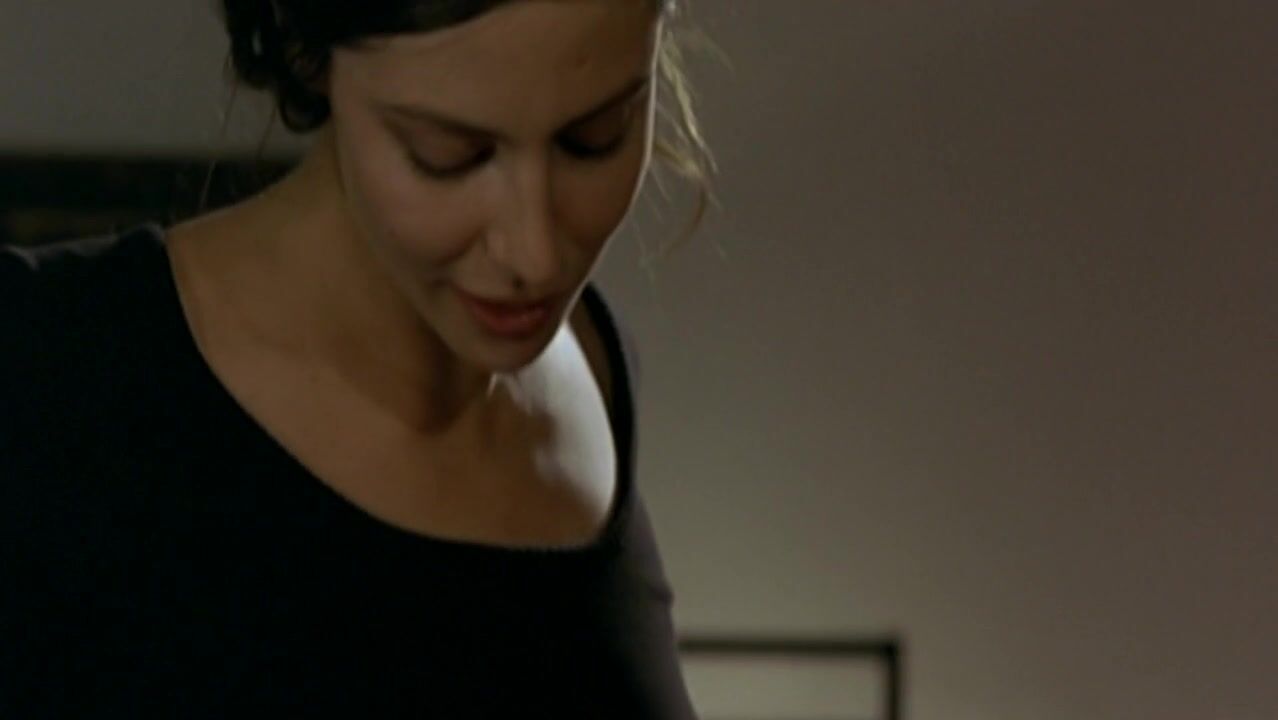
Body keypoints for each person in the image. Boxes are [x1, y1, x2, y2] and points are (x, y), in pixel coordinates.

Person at [0, 0, 715, 716]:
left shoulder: (595, 362)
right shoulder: (42, 377)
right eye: (447, 154)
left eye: (595, 139)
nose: (535, 254)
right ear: (308, 54)